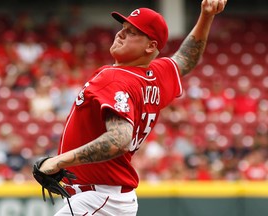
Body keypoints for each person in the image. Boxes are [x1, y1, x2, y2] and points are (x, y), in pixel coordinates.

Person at [37, 1, 228, 215]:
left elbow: (120, 139)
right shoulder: (154, 76)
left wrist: (58, 161)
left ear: (150, 46)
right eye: (123, 28)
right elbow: (186, 59)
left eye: (132, 32)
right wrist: (206, 16)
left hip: (98, 199)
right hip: (109, 198)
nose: (121, 34)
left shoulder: (114, 78)